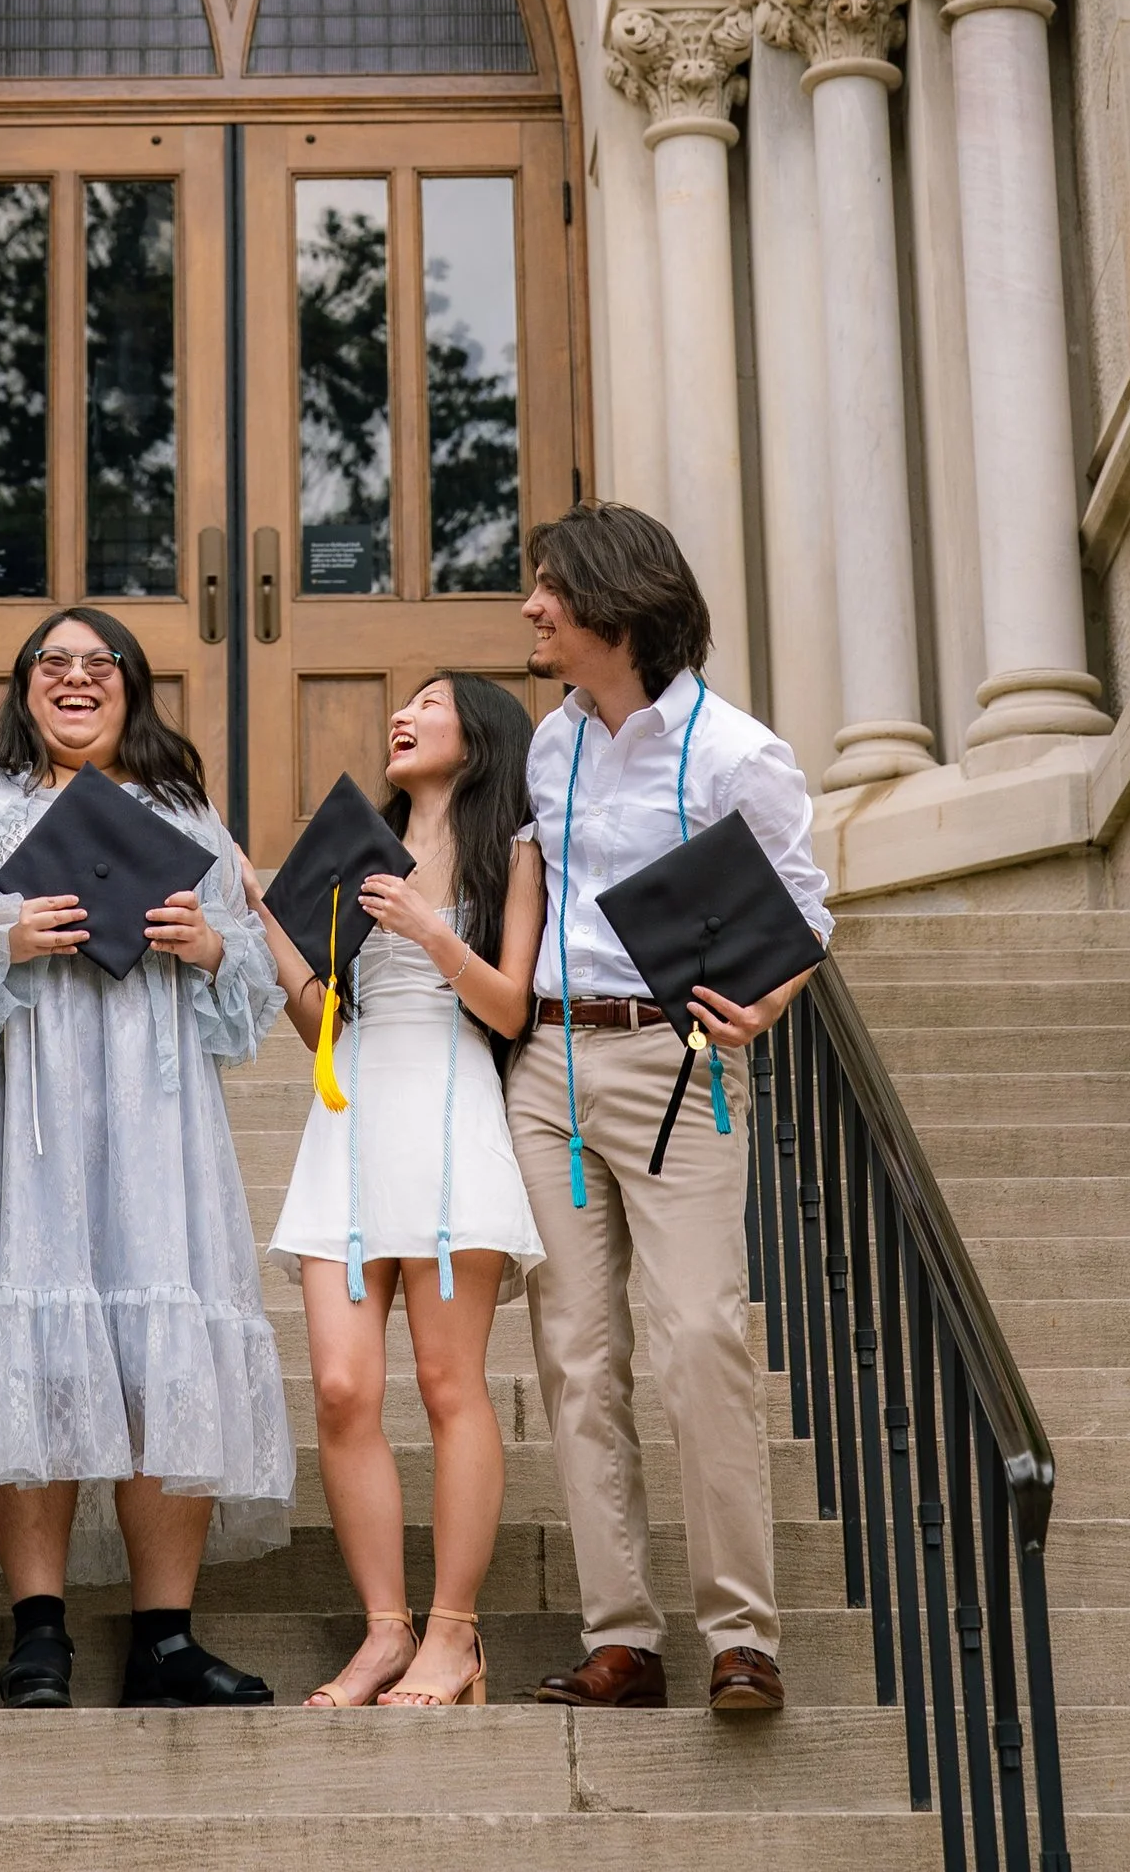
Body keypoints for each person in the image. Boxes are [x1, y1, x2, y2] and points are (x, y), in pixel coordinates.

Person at [0, 606, 292, 1709]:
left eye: (97, 663)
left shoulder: (182, 808)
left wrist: (206, 944)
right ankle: (39, 1631)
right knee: (41, 1341)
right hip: (18, 1109)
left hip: (153, 1117)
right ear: (21, 686)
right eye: (50, 662)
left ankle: (163, 1638)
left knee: (162, 1351)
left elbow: (250, 985)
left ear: (130, 686)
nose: (73, 677)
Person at [504, 502, 830, 1722]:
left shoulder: (737, 750)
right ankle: (620, 1638)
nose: (531, 608)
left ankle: (740, 1634)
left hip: (677, 1067)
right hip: (551, 1071)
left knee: (699, 1339)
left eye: (548, 588)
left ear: (615, 604)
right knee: (579, 1361)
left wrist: (765, 1005)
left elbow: (806, 908)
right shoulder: (552, 744)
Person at [258, 675, 547, 1709]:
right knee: (340, 1386)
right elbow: (321, 1029)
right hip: (350, 1111)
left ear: (477, 732)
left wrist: (429, 928)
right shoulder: (352, 847)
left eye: (429, 701)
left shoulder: (511, 847)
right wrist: (279, 938)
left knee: (445, 1380)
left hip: (447, 1104)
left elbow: (509, 1007)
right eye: (405, 703)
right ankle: (384, 1627)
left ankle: (454, 1634)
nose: (404, 712)